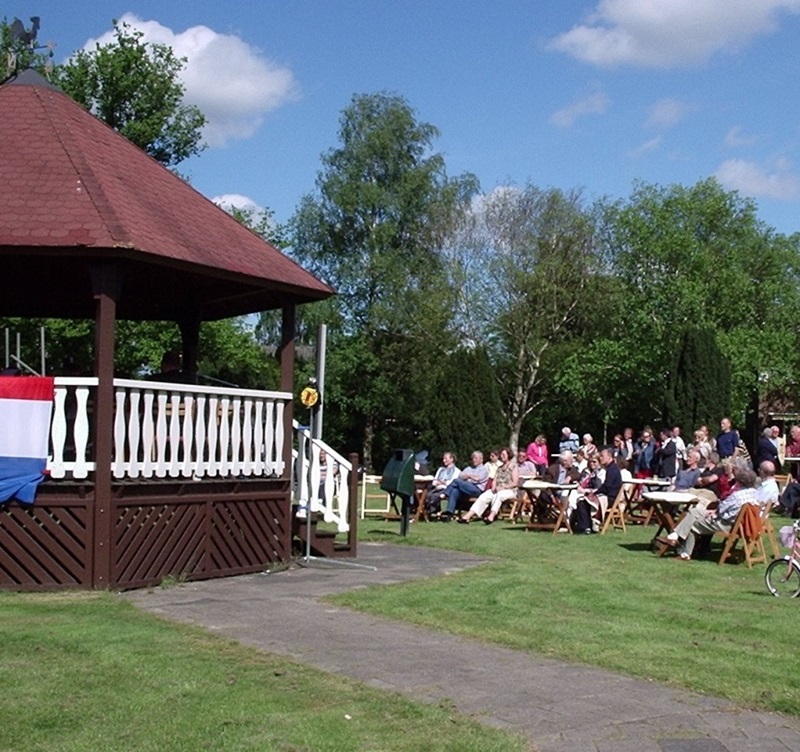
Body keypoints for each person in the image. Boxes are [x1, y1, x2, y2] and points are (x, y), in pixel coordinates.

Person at [660, 466, 758, 560]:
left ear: (739, 481)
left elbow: (723, 507)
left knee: (691, 523)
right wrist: (716, 511)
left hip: (725, 524)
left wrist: (716, 511)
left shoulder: (737, 495)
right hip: (737, 523)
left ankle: (684, 552)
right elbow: (723, 508)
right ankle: (674, 537)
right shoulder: (754, 493)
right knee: (694, 512)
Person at [458, 448, 519, 525]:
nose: (502, 456)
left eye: (504, 454)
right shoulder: (499, 468)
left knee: (499, 495)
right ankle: (467, 516)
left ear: (509, 455)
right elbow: (494, 480)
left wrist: (503, 487)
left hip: (510, 490)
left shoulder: (513, 466)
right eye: (501, 454)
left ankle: (491, 516)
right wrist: (493, 487)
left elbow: (515, 483)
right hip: (497, 489)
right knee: (484, 496)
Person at [573, 446, 621, 534]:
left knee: (582, 501)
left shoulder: (612, 470)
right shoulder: (610, 468)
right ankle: (586, 526)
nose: (601, 458)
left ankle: (586, 527)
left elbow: (606, 487)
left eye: (602, 456)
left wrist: (594, 492)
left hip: (609, 498)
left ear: (609, 456)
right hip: (605, 495)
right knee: (582, 499)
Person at [440, 451, 490, 521]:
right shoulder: (469, 468)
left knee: (456, 481)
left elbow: (477, 479)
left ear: (481, 459)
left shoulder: (484, 469)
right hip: (465, 488)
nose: (473, 460)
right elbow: (461, 475)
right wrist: (470, 477)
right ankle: (449, 514)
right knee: (455, 491)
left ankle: (445, 493)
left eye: (476, 458)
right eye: (473, 458)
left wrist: (468, 476)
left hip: (476, 490)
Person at [424, 452, 460, 516]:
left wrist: (442, 482)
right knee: (426, 495)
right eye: (443, 459)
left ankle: (433, 512)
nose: (444, 461)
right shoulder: (441, 469)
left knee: (435, 496)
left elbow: (452, 483)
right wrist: (439, 482)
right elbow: (434, 481)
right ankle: (430, 511)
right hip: (437, 487)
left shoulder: (457, 471)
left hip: (446, 490)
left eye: (446, 459)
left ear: (452, 459)